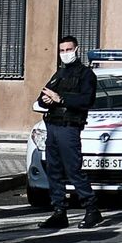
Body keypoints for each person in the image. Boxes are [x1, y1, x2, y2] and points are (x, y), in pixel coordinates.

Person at [38, 36, 100, 230]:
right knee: (54, 170)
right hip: (53, 126)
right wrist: (46, 100)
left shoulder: (86, 74)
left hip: (69, 127)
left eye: (68, 49)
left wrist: (61, 99)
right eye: (62, 50)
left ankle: (91, 209)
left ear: (77, 49)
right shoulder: (59, 73)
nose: (65, 53)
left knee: (73, 170)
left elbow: (86, 100)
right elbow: (42, 96)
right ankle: (59, 211)